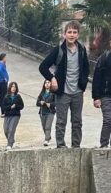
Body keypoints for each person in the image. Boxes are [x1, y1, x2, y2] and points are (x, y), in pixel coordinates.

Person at [38, 20, 90, 148]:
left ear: (78, 35)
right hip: (63, 92)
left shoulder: (82, 50)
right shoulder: (58, 51)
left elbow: (86, 68)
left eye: (74, 32)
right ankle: (61, 146)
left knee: (77, 122)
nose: (72, 35)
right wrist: (52, 78)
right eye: (69, 32)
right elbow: (43, 67)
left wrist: (83, 83)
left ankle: (76, 147)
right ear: (64, 34)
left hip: (78, 92)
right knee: (61, 121)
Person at [1, 81, 24, 149]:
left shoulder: (18, 96)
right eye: (12, 86)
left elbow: (22, 106)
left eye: (15, 87)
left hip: (15, 115)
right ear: (10, 88)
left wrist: (16, 106)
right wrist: (10, 107)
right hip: (8, 115)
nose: (13, 88)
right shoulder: (6, 97)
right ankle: (11, 140)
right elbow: (4, 107)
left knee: (11, 129)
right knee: (6, 130)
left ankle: (9, 144)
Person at [36, 79, 56, 146]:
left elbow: (56, 103)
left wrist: (50, 104)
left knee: (48, 126)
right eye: (46, 83)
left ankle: (46, 140)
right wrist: (40, 102)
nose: (47, 84)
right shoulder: (42, 93)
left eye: (48, 82)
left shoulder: (53, 93)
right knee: (44, 127)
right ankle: (48, 137)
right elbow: (37, 103)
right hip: (42, 112)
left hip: (50, 112)